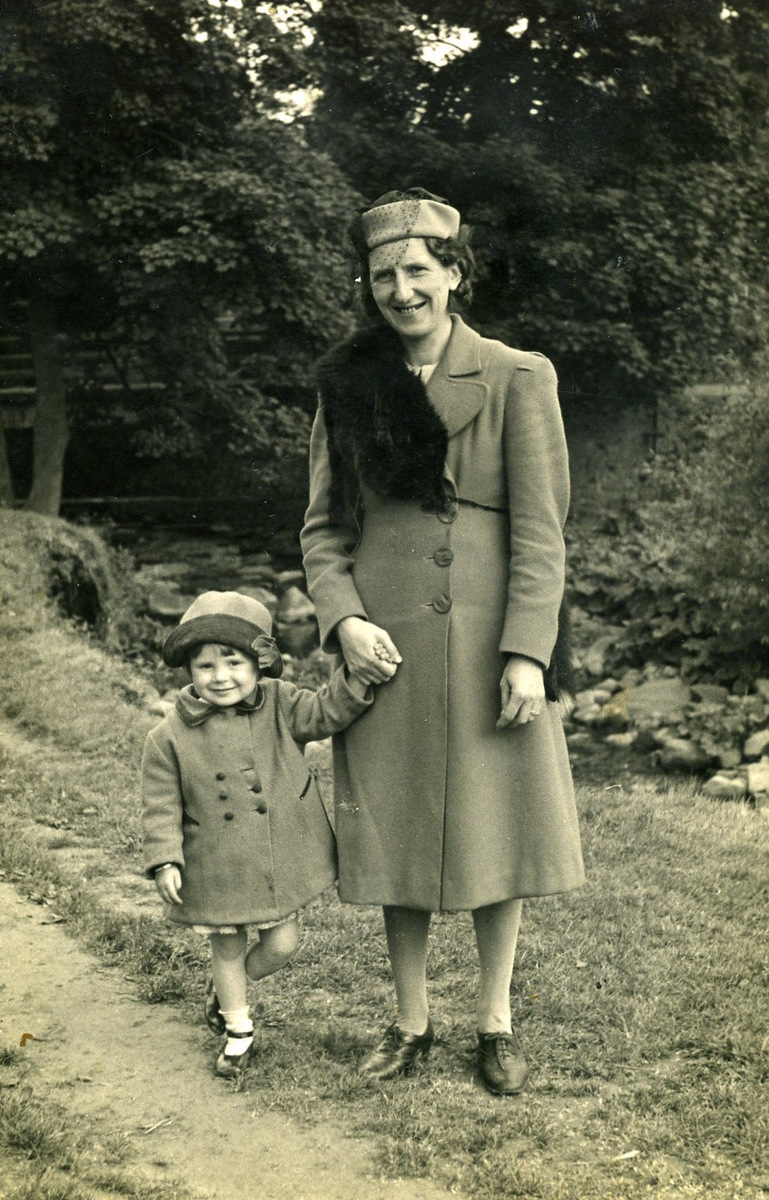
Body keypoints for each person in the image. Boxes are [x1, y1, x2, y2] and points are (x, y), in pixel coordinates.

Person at [300, 187, 584, 1096]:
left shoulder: (516, 376)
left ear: (454, 274)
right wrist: (345, 620)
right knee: (398, 828)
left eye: (419, 270)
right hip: (387, 647)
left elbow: (541, 532)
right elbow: (322, 530)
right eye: (383, 275)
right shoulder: (349, 383)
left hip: (488, 636)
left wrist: (527, 653)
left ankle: (494, 1023)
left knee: (498, 828)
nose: (401, 290)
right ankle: (410, 1021)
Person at [141, 590, 381, 1080]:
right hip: (216, 861)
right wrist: (165, 858)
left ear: (259, 665)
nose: (220, 676)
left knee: (283, 944)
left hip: (277, 857)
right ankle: (238, 1030)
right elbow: (160, 804)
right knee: (226, 946)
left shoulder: (280, 704)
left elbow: (325, 712)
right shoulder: (168, 737)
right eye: (205, 666)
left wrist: (358, 675)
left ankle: (226, 988)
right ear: (189, 671)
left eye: (233, 662)